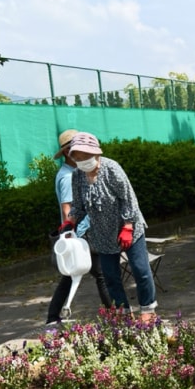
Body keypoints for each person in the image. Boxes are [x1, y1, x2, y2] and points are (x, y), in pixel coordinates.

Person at [67, 132, 157, 322]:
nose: (82, 161)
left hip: (128, 228)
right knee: (110, 277)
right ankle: (124, 313)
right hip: (101, 233)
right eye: (78, 158)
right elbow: (78, 205)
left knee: (140, 270)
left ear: (96, 154)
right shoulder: (77, 176)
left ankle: (148, 309)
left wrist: (128, 226)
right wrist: (71, 220)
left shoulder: (111, 168)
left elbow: (129, 199)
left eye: (85, 156)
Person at [46, 130, 112, 326]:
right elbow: (67, 209)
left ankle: (52, 317)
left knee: (70, 276)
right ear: (68, 152)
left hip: (81, 234)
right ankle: (116, 316)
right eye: (79, 151)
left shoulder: (73, 173)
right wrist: (72, 237)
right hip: (81, 235)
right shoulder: (67, 177)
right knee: (102, 273)